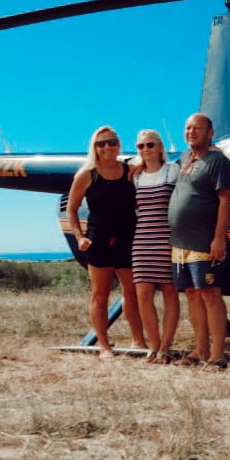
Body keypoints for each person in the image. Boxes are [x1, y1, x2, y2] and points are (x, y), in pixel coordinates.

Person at [66, 125, 146, 360]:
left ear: (119, 145)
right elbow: (71, 209)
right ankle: (104, 346)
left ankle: (138, 340)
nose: (107, 147)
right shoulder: (87, 175)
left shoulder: (130, 171)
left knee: (132, 292)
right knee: (100, 295)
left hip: (128, 238)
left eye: (112, 142)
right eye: (101, 144)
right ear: (94, 147)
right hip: (99, 240)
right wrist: (79, 237)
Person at [168, 113, 230, 371]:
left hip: (204, 241)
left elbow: (226, 201)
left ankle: (217, 355)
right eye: (188, 128)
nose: (191, 132)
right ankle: (200, 349)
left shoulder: (219, 162)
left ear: (210, 133)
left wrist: (219, 238)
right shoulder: (184, 158)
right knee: (192, 295)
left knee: (210, 294)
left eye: (197, 128)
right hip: (179, 243)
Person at [131, 129, 180, 364]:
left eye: (150, 145)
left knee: (170, 293)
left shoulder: (172, 170)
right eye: (141, 146)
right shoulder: (135, 175)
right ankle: (153, 345)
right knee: (143, 295)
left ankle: (166, 347)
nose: (145, 150)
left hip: (167, 239)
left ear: (160, 147)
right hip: (142, 240)